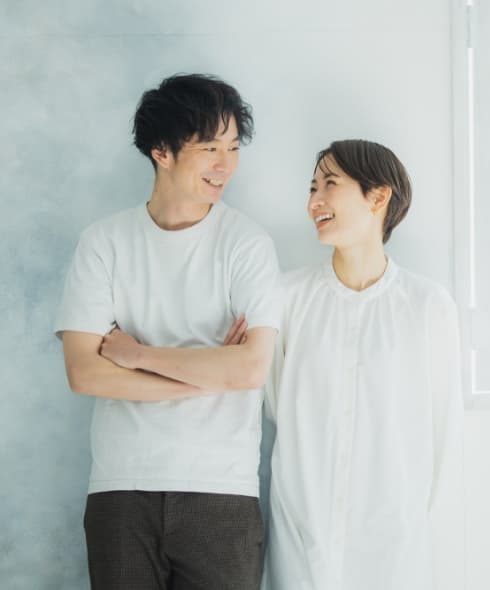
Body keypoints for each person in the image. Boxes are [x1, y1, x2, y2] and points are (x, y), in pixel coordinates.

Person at [54, 74, 282, 589]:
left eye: (233, 147)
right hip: (120, 487)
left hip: (221, 489)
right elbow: (85, 373)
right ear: (162, 151)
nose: (225, 164)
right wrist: (208, 376)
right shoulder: (103, 243)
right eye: (209, 148)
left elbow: (250, 369)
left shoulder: (247, 244)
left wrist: (137, 355)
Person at [266, 139, 464, 590]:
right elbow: (276, 404)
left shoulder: (427, 306)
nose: (314, 201)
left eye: (329, 185)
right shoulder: (285, 299)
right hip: (302, 532)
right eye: (312, 188)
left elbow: (443, 433)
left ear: (378, 197)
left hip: (393, 541)